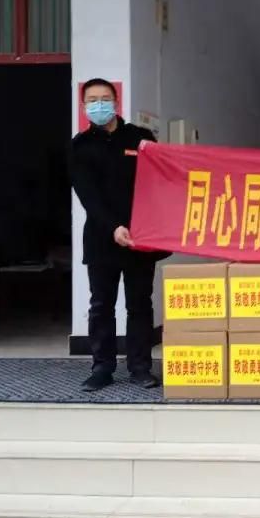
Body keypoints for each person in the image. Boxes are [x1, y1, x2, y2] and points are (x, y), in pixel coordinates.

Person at [70, 78, 168, 392]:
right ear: (84, 106)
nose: (99, 105)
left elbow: (159, 180)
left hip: (140, 237)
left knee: (139, 304)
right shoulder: (79, 146)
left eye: (104, 98)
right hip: (101, 238)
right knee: (101, 305)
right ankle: (102, 368)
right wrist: (113, 226)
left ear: (116, 102)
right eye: (92, 100)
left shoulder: (140, 138)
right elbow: (88, 195)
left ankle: (140, 367)